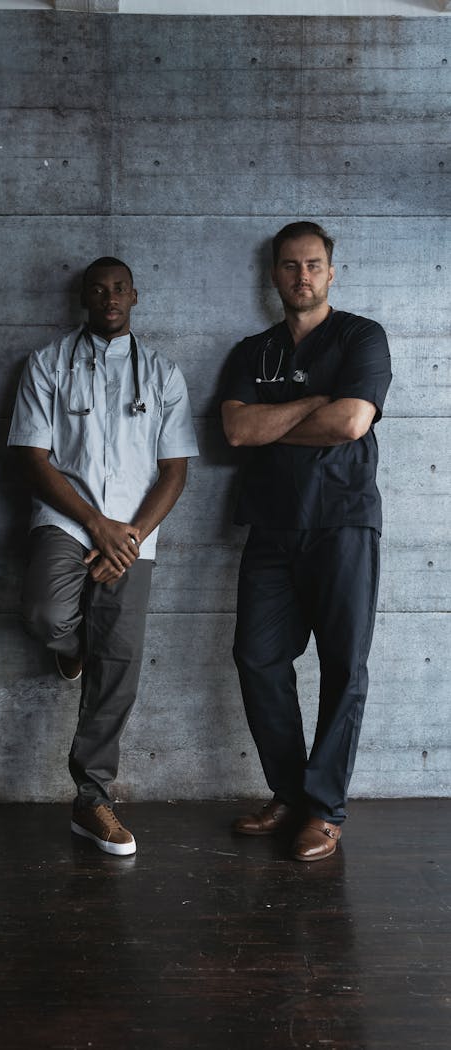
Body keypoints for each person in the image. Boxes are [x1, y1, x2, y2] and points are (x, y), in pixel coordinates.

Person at [8, 257, 198, 856]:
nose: (109, 296)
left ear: (134, 295)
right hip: (66, 520)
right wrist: (96, 525)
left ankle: (93, 797)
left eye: (119, 288)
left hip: (136, 534)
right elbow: (33, 459)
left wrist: (131, 536)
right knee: (44, 614)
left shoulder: (164, 373)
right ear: (84, 296)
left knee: (120, 660)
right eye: (99, 288)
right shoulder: (47, 364)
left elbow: (174, 470)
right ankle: (71, 652)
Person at [221, 222, 392, 861]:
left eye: (313, 265)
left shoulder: (360, 337)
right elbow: (236, 431)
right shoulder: (252, 351)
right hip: (271, 527)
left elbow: (350, 421)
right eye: (290, 266)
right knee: (257, 659)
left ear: (331, 271)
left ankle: (324, 809)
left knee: (344, 667)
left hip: (343, 522)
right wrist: (307, 407)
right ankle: (291, 794)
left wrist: (276, 422)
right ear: (273, 275)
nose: (302, 276)